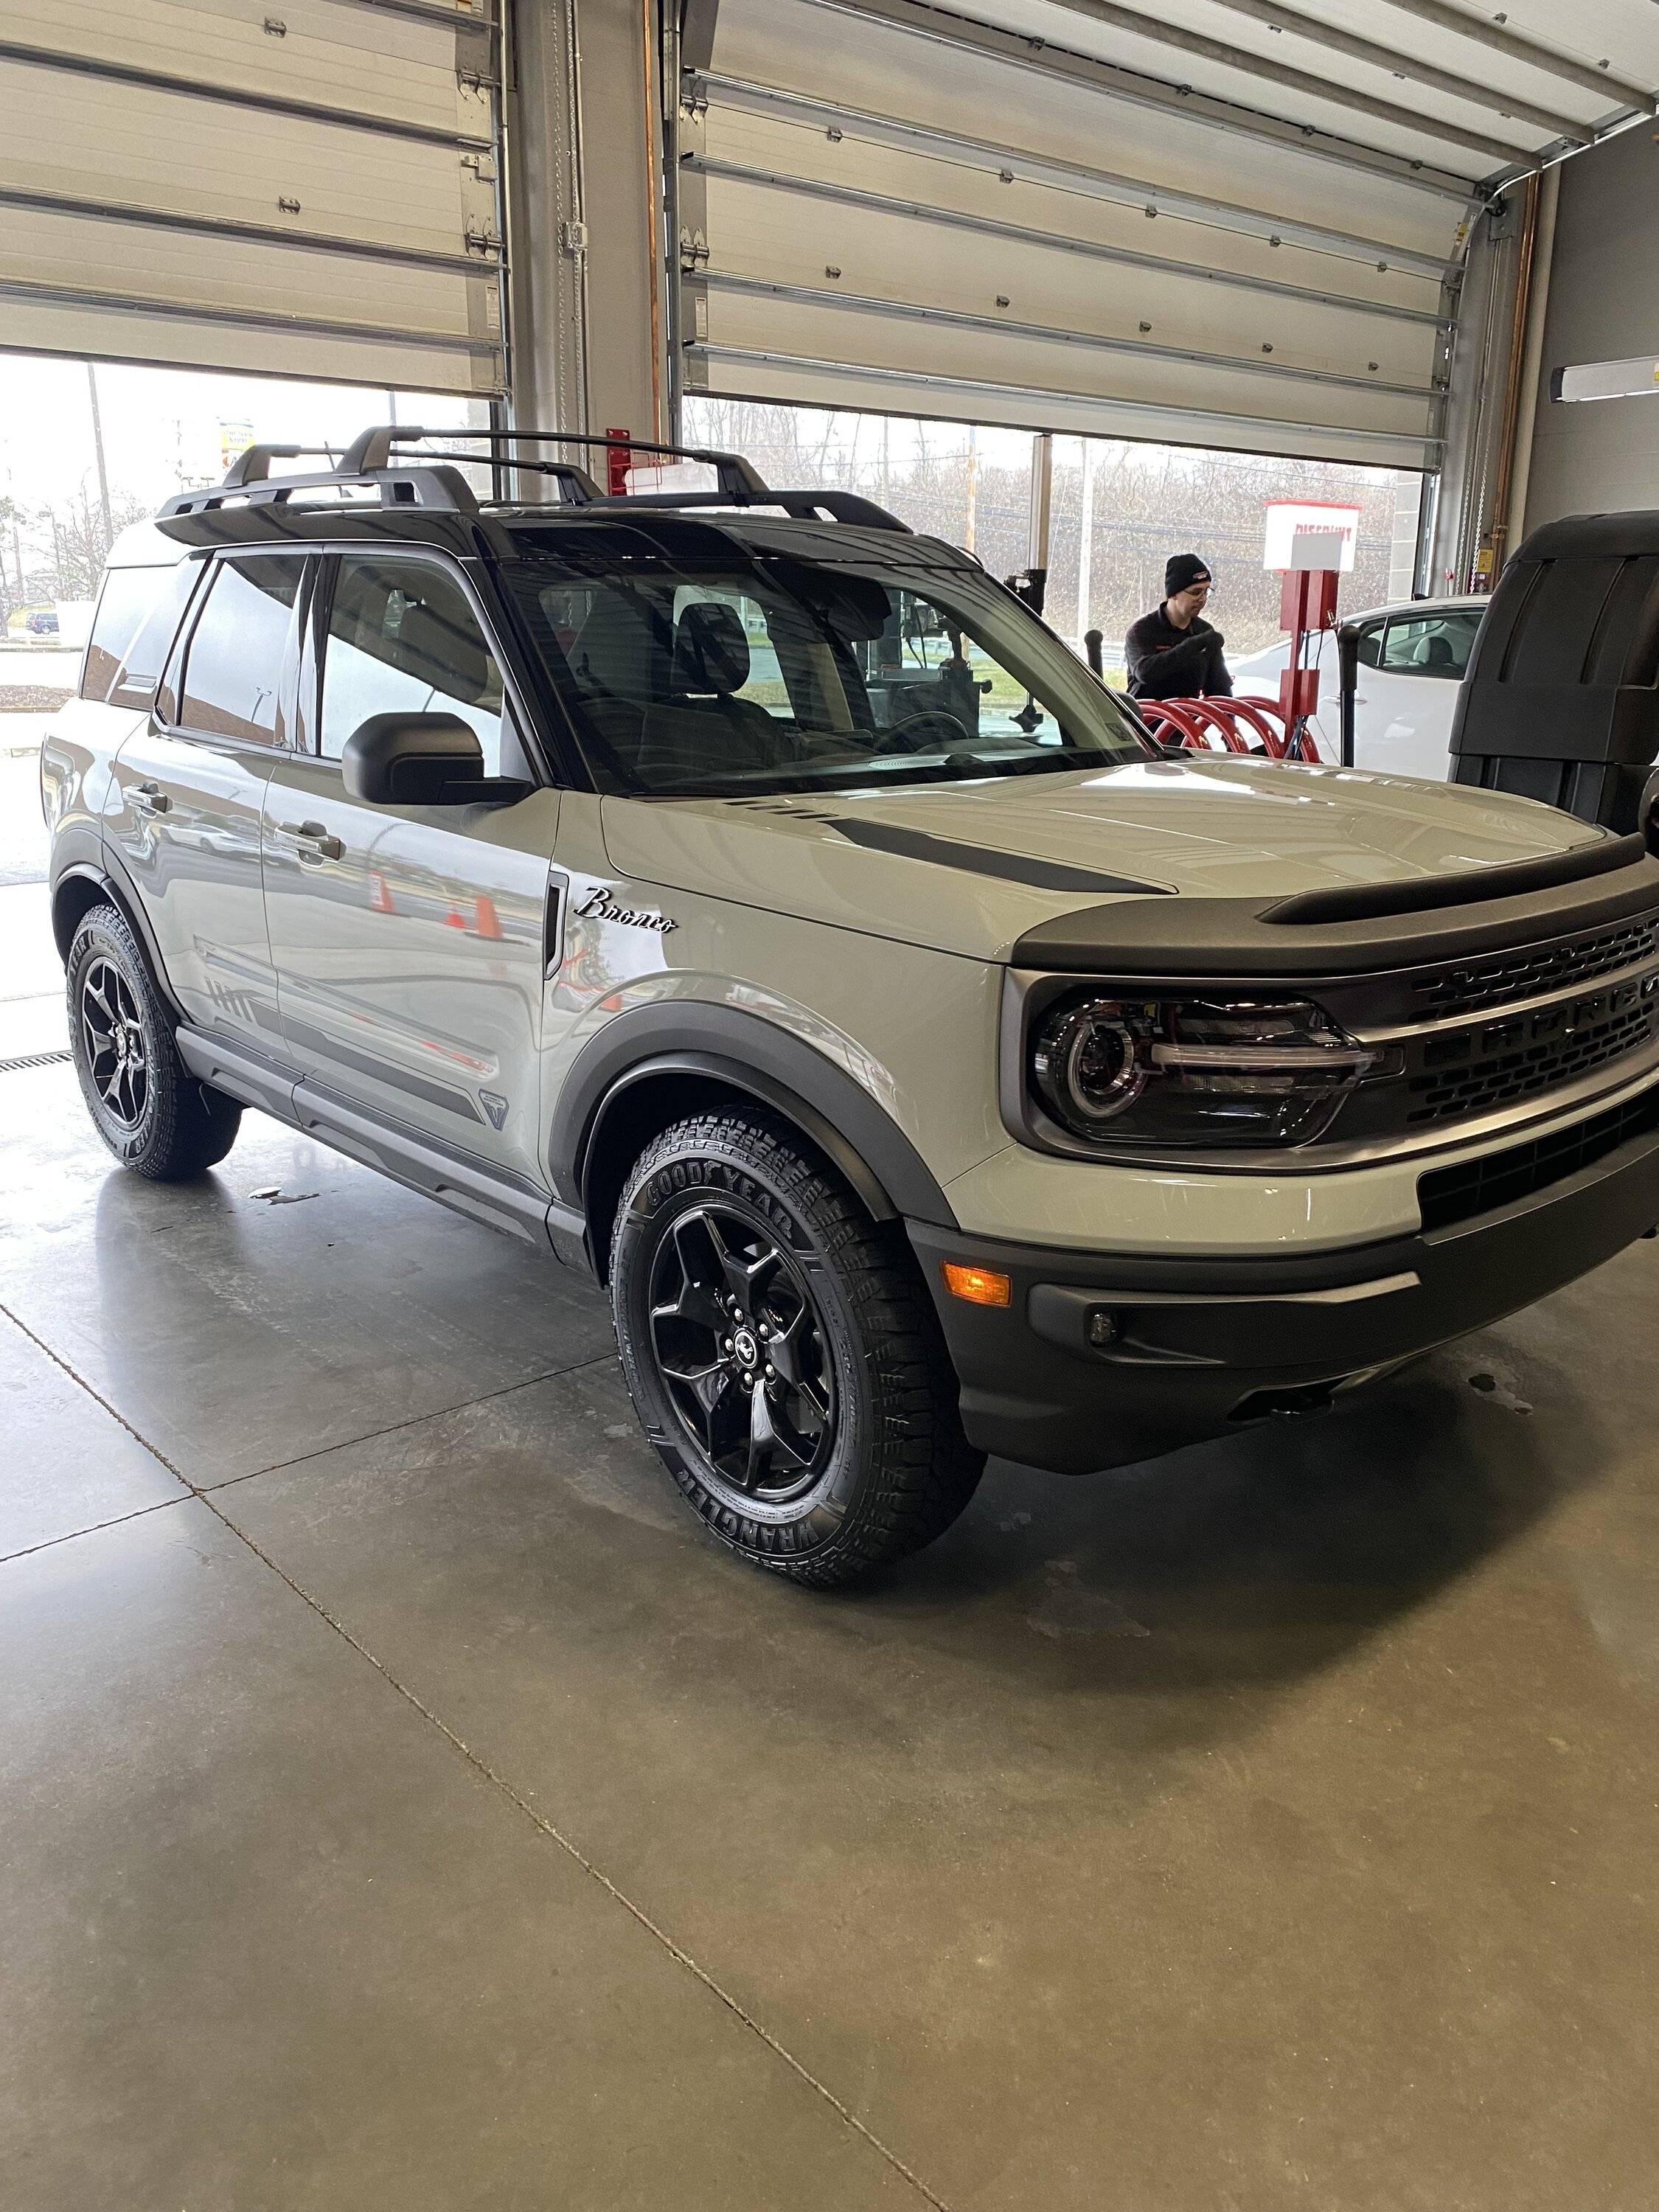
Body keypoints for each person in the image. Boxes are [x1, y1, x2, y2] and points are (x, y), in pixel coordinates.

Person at [1125, 554, 1232, 701]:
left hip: (1187, 715)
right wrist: (1195, 644)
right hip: (1145, 714)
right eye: (1195, 592)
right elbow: (1145, 673)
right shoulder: (1142, 630)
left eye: (1206, 591)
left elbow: (1219, 689)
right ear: (1174, 594)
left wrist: (1227, 716)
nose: (1202, 599)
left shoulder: (1204, 631)